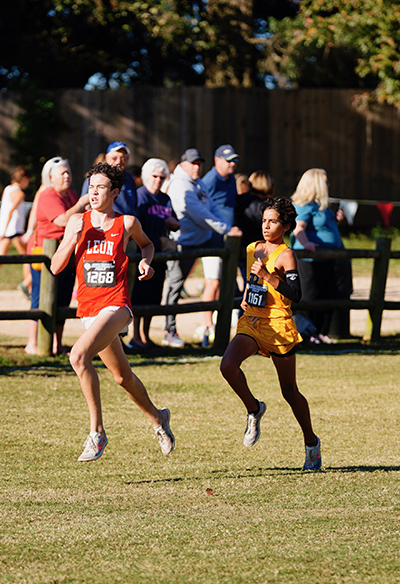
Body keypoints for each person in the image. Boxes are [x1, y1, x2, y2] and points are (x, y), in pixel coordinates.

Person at [50, 162, 175, 462]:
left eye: (100, 188)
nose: (93, 193)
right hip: (89, 310)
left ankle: (97, 433)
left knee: (78, 357)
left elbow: (148, 246)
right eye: (90, 188)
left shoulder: (127, 223)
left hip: (117, 304)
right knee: (122, 378)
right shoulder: (76, 223)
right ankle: (159, 419)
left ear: (115, 192)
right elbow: (55, 267)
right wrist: (71, 238)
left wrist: (145, 262)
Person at [220, 197, 321, 471]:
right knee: (228, 366)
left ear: (286, 225)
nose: (266, 226)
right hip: (252, 320)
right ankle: (254, 409)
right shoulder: (254, 247)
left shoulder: (287, 255)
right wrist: (245, 297)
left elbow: (296, 294)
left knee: (289, 391)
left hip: (278, 325)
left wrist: (268, 275)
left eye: (273, 221)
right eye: (264, 220)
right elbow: (252, 280)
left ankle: (311, 443)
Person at [162, 148, 239, 348]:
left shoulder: (198, 183)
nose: (197, 167)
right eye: (193, 163)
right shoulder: (180, 185)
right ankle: (169, 331)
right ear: (183, 164)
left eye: (199, 164)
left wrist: (226, 227)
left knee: (212, 281)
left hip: (200, 241)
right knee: (174, 286)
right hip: (182, 243)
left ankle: (207, 330)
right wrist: (226, 229)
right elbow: (199, 214)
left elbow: (211, 208)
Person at [25, 157, 89, 355]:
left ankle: (57, 344)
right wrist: (80, 204)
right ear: (51, 177)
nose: (67, 176)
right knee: (40, 299)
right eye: (62, 173)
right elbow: (61, 219)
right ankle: (32, 344)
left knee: (62, 300)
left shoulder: (69, 193)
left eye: (68, 172)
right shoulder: (47, 195)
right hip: (46, 254)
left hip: (67, 253)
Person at [291, 168, 352, 344]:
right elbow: (298, 228)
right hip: (310, 260)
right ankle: (306, 332)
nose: (328, 185)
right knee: (309, 298)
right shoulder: (304, 205)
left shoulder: (322, 206)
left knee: (328, 295)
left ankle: (320, 332)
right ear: (316, 184)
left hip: (328, 259)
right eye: (325, 182)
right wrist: (306, 244)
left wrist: (337, 220)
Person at [126, 158, 179, 350]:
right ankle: (136, 337)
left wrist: (173, 222)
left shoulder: (165, 199)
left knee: (154, 295)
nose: (158, 180)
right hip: (143, 252)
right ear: (147, 176)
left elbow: (172, 218)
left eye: (162, 177)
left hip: (160, 253)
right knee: (140, 295)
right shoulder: (140, 196)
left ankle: (146, 336)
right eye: (155, 176)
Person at [198, 145, 240, 343]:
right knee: (212, 280)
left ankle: (218, 324)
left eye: (234, 160)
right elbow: (203, 210)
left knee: (224, 281)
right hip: (213, 240)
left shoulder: (231, 179)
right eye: (228, 160)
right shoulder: (209, 180)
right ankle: (207, 325)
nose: (232, 164)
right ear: (217, 160)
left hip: (228, 241)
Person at [0, 165, 33, 298]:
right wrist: (4, 230)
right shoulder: (19, 193)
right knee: (27, 258)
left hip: (7, 231)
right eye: (28, 180)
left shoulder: (7, 189)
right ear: (23, 179)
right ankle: (27, 285)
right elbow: (10, 211)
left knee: (2, 257)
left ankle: (27, 286)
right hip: (14, 231)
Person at [81, 141, 137, 216]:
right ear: (107, 158)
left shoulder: (129, 178)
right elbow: (85, 206)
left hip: (128, 224)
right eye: (114, 158)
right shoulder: (94, 179)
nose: (119, 161)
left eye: (123, 158)